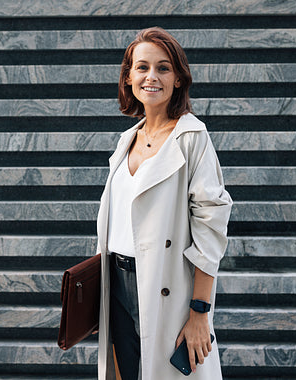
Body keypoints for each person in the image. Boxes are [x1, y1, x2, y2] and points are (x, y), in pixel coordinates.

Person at [96, 27, 232, 380]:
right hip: (117, 285)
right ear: (128, 78)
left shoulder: (191, 138)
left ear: (178, 79)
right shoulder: (127, 140)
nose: (151, 77)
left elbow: (211, 232)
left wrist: (200, 313)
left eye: (163, 68)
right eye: (142, 67)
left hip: (165, 284)